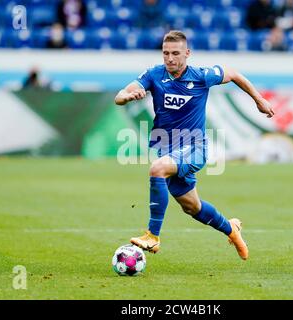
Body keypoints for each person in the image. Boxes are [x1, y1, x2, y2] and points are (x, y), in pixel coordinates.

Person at [114, 30, 274, 260]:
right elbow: (120, 95)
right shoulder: (154, 75)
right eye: (166, 53)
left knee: (157, 168)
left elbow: (234, 74)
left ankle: (152, 236)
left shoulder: (201, 76)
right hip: (167, 147)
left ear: (187, 53)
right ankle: (231, 229)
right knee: (192, 207)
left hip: (195, 147)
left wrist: (259, 100)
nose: (170, 58)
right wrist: (127, 97)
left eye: (175, 53)